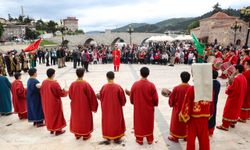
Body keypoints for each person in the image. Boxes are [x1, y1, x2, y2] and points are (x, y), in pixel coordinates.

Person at [179, 63, 213, 150]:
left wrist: (184, 116)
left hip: (193, 118)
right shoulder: (210, 90)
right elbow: (212, 104)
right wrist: (209, 114)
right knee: (204, 138)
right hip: (204, 117)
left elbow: (187, 105)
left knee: (191, 138)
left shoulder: (192, 89)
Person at [125, 67, 158, 145]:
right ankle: (150, 139)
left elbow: (132, 98)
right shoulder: (151, 85)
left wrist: (134, 102)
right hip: (149, 109)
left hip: (138, 109)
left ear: (140, 73)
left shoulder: (135, 85)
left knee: (139, 123)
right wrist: (154, 104)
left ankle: (139, 139)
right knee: (148, 123)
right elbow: (156, 99)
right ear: (148, 74)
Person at [69, 68, 98, 140]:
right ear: (83, 74)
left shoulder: (72, 84)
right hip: (84, 106)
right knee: (85, 119)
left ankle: (77, 134)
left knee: (76, 119)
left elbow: (70, 95)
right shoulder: (85, 84)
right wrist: (94, 106)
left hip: (75, 105)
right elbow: (91, 96)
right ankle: (85, 135)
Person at [98, 71, 126, 144]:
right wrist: (122, 104)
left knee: (107, 122)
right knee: (116, 121)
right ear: (114, 77)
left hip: (106, 109)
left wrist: (98, 96)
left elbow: (101, 97)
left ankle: (108, 136)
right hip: (116, 109)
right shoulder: (118, 87)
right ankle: (117, 137)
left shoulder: (104, 87)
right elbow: (123, 100)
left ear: (107, 78)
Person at [217, 65, 247, 131]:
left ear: (237, 70)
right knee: (235, 110)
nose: (233, 71)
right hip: (240, 97)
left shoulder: (237, 79)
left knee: (228, 110)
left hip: (234, 98)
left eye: (234, 69)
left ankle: (225, 126)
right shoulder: (243, 77)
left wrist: (228, 87)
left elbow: (233, 89)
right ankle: (232, 122)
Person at [40, 68, 68, 135]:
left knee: (49, 115)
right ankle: (58, 130)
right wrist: (65, 90)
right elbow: (60, 93)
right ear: (53, 74)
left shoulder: (44, 82)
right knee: (57, 116)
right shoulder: (54, 83)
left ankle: (51, 129)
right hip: (54, 103)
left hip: (46, 102)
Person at [167, 71, 191, 142]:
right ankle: (186, 136)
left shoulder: (176, 88)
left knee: (177, 123)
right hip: (187, 110)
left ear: (181, 78)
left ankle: (175, 137)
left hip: (178, 110)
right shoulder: (191, 88)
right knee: (186, 123)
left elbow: (172, 100)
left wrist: (171, 102)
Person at [208, 70, 221, 136]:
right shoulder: (218, 83)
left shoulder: (208, 83)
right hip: (215, 101)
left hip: (208, 102)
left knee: (208, 115)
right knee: (213, 115)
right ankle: (211, 131)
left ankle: (207, 129)